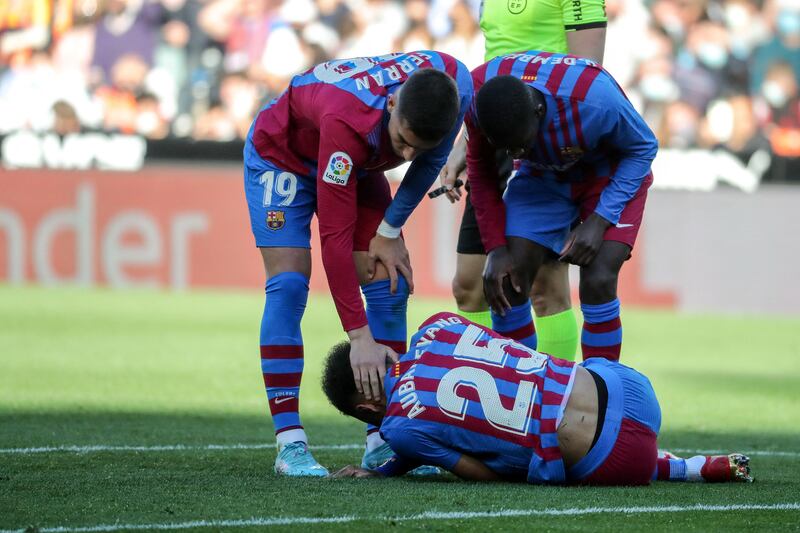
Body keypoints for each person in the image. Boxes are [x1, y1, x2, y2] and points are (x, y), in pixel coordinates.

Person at [243, 51, 473, 476]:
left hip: (361, 164)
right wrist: (359, 337)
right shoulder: (348, 119)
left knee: (390, 283)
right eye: (402, 139)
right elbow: (334, 237)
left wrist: (389, 231)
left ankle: (384, 439)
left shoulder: (458, 86)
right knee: (290, 284)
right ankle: (289, 443)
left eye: (414, 147)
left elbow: (431, 163)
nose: (404, 153)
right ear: (392, 103)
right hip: (285, 156)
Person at [322, 312, 753, 485]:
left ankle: (679, 468)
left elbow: (482, 474)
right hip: (632, 388)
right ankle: (692, 466)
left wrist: (386, 470)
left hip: (619, 459)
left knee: (520, 454)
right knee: (546, 384)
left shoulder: (398, 430)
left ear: (365, 410)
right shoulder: (437, 324)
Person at [436, 0, 608, 362]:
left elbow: (588, 74)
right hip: (495, 132)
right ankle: (491, 394)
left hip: (543, 134)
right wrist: (466, 143)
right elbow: (493, 64)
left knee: (544, 289)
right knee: (469, 285)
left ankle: (550, 397)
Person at [465, 51, 657, 361]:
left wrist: (599, 220)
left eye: (520, 143)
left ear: (540, 110)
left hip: (606, 173)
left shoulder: (595, 98)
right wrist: (495, 247)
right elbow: (480, 168)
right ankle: (517, 392)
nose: (514, 151)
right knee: (506, 279)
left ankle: (599, 391)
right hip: (542, 176)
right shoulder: (476, 95)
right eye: (506, 148)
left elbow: (644, 147)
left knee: (598, 279)